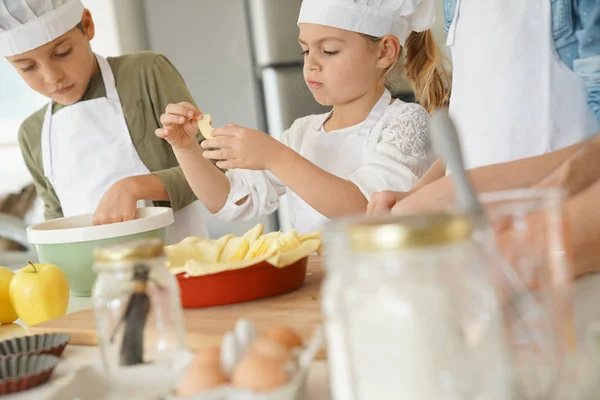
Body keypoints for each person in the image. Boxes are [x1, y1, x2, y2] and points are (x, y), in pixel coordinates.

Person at [156, 0, 450, 234]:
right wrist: (186, 149)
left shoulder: (406, 122)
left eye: (329, 50)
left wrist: (276, 157)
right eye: (305, 51)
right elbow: (230, 202)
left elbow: (370, 211)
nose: (311, 65)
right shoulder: (302, 133)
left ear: (385, 51)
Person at [1, 0, 209, 242]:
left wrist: (136, 186)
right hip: (93, 276)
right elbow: (55, 225)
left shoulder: (144, 73)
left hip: (178, 265)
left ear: (87, 25)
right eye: (28, 67)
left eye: (62, 53)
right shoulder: (32, 133)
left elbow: (214, 165)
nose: (52, 77)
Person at [368, 0, 600, 213]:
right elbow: (474, 132)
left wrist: (457, 189)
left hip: (564, 231)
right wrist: (417, 194)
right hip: (485, 236)